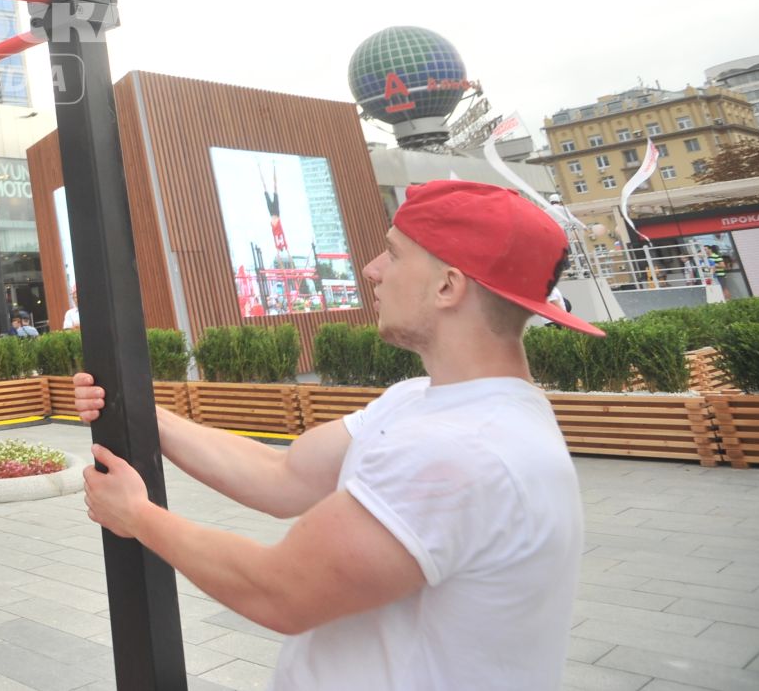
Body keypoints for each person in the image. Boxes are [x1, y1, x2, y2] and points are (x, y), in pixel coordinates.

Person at [75, 180, 602, 690]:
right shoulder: (428, 402)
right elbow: (282, 476)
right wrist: (143, 414)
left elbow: (279, 591)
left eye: (393, 255)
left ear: (448, 286)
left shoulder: (459, 448)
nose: (372, 271)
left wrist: (138, 517)